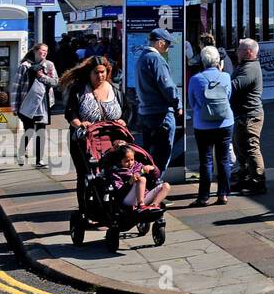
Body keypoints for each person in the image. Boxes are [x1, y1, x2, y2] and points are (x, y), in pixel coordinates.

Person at [62, 55, 125, 183]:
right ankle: (85, 201)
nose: (100, 76)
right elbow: (70, 113)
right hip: (84, 140)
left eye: (103, 72)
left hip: (110, 139)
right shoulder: (79, 90)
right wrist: (80, 124)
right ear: (89, 73)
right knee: (86, 176)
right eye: (96, 72)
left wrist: (123, 120)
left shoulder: (115, 89)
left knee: (113, 172)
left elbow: (127, 109)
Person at [187, 46, 233, 205]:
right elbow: (228, 96)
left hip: (203, 125)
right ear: (218, 61)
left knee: (206, 161)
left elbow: (191, 103)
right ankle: (223, 194)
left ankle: (204, 196)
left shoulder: (195, 79)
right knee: (224, 159)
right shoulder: (226, 77)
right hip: (225, 123)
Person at [135, 28, 183, 175]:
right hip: (161, 114)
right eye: (167, 44)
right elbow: (167, 86)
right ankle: (155, 188)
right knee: (161, 156)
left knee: (149, 155)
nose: (168, 47)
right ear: (160, 43)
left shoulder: (142, 58)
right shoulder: (156, 60)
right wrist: (178, 104)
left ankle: (148, 189)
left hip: (146, 112)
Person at [230, 38, 266, 195]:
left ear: (249, 52)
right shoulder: (244, 66)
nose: (236, 51)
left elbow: (234, 86)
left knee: (251, 148)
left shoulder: (250, 68)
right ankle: (245, 177)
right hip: (242, 115)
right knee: (240, 147)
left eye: (239, 49)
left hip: (250, 116)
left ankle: (258, 181)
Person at [14, 43, 59, 167]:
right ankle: (21, 153)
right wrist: (15, 106)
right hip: (27, 103)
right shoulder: (25, 66)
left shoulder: (49, 65)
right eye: (41, 51)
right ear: (35, 51)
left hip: (43, 103)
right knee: (29, 130)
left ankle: (39, 160)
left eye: (46, 51)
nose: (44, 53)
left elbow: (55, 82)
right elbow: (16, 87)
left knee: (41, 131)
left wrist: (42, 76)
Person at [106, 144, 170, 212]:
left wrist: (153, 168)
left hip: (144, 196)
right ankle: (141, 205)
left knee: (166, 186)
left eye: (132, 160)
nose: (130, 163)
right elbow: (119, 191)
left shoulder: (138, 165)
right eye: (127, 161)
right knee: (142, 179)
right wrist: (129, 183)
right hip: (127, 199)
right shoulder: (116, 172)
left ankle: (154, 205)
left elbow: (156, 176)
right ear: (119, 161)